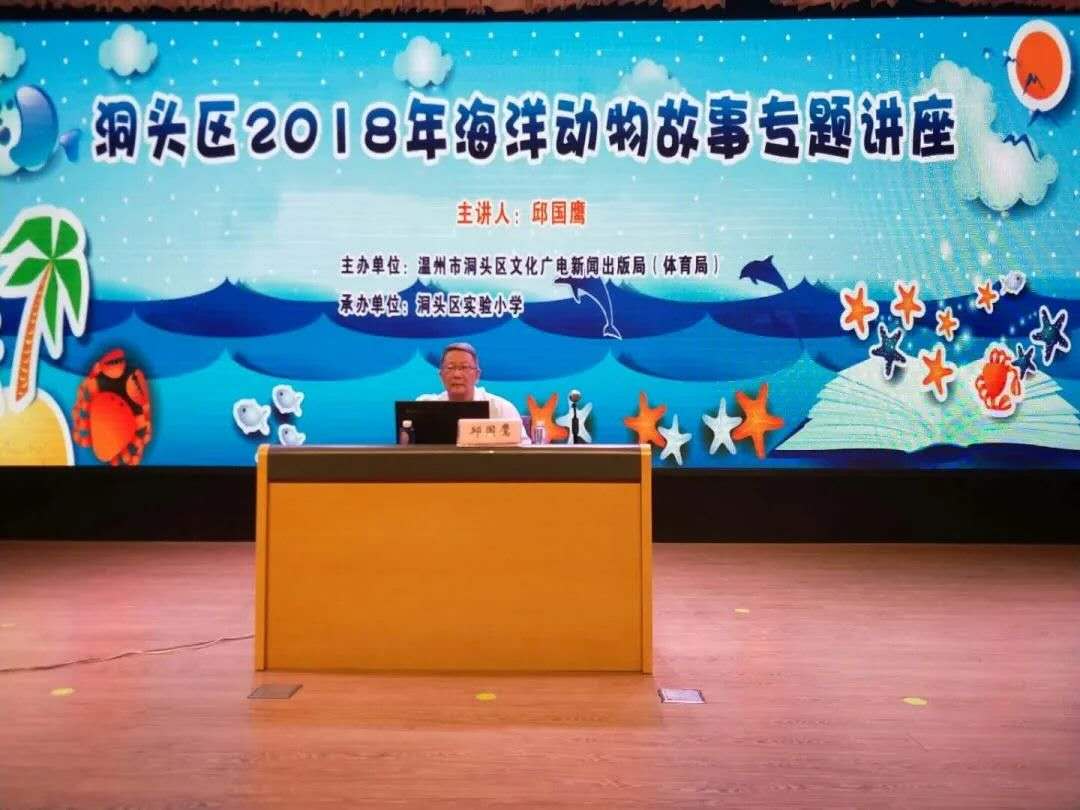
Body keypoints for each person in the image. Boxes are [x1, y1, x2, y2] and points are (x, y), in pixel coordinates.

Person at [418, 342, 531, 443]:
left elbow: (524, 449)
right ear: (441, 375)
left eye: (464, 367)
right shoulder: (425, 407)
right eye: (450, 367)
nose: (457, 375)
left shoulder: (500, 408)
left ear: (477, 375)